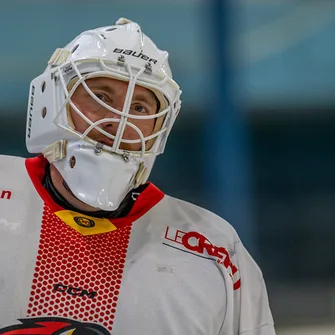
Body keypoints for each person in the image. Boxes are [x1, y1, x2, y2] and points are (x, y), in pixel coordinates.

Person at [0, 17, 276, 334]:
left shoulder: (214, 251)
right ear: (55, 99)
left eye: (141, 108)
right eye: (100, 96)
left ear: (160, 128)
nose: (117, 121)